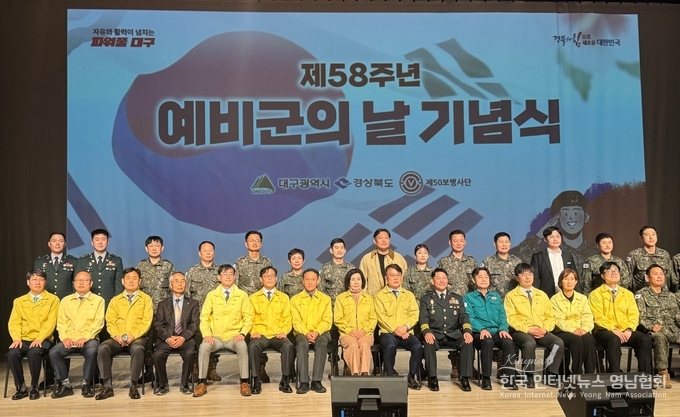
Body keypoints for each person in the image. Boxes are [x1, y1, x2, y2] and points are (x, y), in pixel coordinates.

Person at [194, 265, 253, 397]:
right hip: (216, 337)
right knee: (204, 347)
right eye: (225, 274)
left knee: (242, 346)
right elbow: (204, 317)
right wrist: (207, 335)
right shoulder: (212, 295)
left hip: (234, 337)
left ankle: (244, 382)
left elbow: (248, 317)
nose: (228, 276)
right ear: (219, 277)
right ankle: (201, 383)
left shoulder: (242, 295)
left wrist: (242, 333)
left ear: (234, 277)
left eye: (231, 274)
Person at [95, 267, 153, 400]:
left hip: (138, 337)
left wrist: (134, 335)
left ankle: (133, 386)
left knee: (138, 348)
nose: (131, 281)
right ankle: (107, 386)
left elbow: (146, 322)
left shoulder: (146, 299)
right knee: (103, 347)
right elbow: (110, 321)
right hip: (117, 338)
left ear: (139, 281)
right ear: (122, 281)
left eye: (134, 278)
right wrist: (116, 336)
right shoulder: (115, 300)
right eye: (128, 278)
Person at [504, 263, 564, 388]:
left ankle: (551, 375)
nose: (527, 277)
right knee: (529, 343)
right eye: (523, 274)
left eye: (530, 274)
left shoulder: (542, 295)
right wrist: (528, 329)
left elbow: (550, 316)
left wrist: (545, 329)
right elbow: (511, 318)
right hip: (520, 331)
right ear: (517, 278)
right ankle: (529, 377)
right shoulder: (511, 296)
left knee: (558, 342)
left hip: (540, 330)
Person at [49, 271, 105, 399]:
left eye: (85, 280)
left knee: (92, 350)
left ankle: (86, 383)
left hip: (89, 338)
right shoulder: (65, 301)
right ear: (74, 284)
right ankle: (65, 385)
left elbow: (98, 322)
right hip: (69, 338)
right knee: (54, 352)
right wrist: (65, 338)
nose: (81, 283)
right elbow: (61, 322)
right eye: (78, 280)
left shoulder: (98, 300)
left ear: (91, 283)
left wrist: (86, 337)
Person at [589, 261, 652, 375]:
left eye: (616, 271)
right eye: (609, 271)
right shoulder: (595, 294)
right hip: (603, 330)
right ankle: (615, 375)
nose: (613, 273)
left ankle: (645, 376)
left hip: (625, 329)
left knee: (645, 339)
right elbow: (598, 317)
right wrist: (613, 329)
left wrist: (629, 329)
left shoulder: (627, 294)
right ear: (602, 276)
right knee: (614, 339)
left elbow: (634, 314)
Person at [7, 270, 59, 400]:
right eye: (34, 279)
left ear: (45, 282)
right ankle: (21, 387)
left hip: (43, 339)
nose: (37, 282)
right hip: (23, 339)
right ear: (28, 282)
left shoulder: (53, 300)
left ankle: (34, 386)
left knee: (34, 352)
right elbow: (14, 322)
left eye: (41, 280)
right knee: (12, 354)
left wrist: (39, 338)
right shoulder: (19, 301)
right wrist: (16, 338)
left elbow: (50, 323)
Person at [510, 190, 598, 267]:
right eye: (566, 214)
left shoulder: (596, 252)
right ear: (558, 218)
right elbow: (513, 257)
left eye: (576, 213)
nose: (571, 218)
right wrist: (541, 233)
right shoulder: (546, 254)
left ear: (586, 217)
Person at [420, 267, 474, 392]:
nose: (441, 280)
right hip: (435, 334)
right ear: (432, 281)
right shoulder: (426, 299)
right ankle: (432, 377)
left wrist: (467, 331)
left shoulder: (457, 298)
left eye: (444, 278)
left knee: (467, 341)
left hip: (453, 334)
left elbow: (464, 317)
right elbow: (423, 318)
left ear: (447, 280)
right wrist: (427, 332)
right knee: (428, 342)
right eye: (438, 278)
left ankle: (464, 378)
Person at [464, 267, 517, 390]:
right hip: (479, 332)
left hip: (496, 331)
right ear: (473, 280)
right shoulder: (468, 297)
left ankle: (509, 378)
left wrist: (503, 329)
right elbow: (469, 317)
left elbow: (502, 315)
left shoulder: (496, 296)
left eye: (486, 277)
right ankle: (486, 378)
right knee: (487, 342)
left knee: (509, 342)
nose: (483, 280)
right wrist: (481, 329)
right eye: (480, 277)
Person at [374, 264, 422, 390]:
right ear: (386, 278)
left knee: (417, 347)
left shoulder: (409, 295)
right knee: (390, 346)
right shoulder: (379, 296)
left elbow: (414, 314)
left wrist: (405, 327)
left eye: (398, 275)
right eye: (392, 275)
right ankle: (389, 377)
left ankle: (411, 377)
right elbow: (381, 317)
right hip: (387, 333)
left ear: (402, 277)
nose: (395, 278)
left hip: (406, 332)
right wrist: (397, 330)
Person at [436, 230, 477, 378]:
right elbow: (440, 283)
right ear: (449, 243)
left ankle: (469, 365)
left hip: (468, 304)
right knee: (452, 333)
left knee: (468, 334)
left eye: (461, 240)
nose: (458, 243)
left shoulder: (472, 261)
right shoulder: (444, 261)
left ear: (465, 242)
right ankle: (455, 366)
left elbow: (475, 283)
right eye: (455, 240)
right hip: (450, 305)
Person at [248, 266, 295, 395]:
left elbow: (287, 318)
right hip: (260, 334)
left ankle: (285, 380)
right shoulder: (253, 298)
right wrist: (253, 331)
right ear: (260, 279)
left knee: (288, 345)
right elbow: (249, 318)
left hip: (277, 334)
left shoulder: (284, 297)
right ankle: (256, 380)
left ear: (276, 278)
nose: (269, 278)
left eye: (272, 275)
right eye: (266, 276)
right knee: (253, 346)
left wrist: (284, 331)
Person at [234, 230, 273, 382]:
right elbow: (235, 286)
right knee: (246, 339)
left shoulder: (266, 262)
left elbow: (270, 283)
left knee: (261, 336)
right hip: (245, 307)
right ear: (246, 244)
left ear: (261, 244)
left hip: (263, 306)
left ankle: (260, 369)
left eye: (257, 240)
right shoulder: (240, 262)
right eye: (251, 240)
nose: (254, 243)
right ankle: (246, 372)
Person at [153, 272, 199, 396]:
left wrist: (183, 337)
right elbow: (158, 325)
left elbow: (194, 324)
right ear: (170, 285)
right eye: (177, 281)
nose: (180, 284)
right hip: (167, 338)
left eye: (183, 281)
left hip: (185, 338)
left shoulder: (193, 304)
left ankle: (185, 384)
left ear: (186, 284)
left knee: (190, 353)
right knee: (158, 355)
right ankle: (163, 385)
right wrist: (168, 338)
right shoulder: (163, 304)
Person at [137, 235, 176, 383]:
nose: (154, 248)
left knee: (160, 343)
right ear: (146, 248)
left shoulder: (168, 266)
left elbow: (173, 288)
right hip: (145, 312)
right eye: (151, 246)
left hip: (163, 313)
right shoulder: (141, 266)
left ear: (162, 248)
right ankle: (148, 372)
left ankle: (160, 373)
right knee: (146, 343)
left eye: (157, 246)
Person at [635, 264, 680, 388]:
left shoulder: (671, 296)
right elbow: (639, 317)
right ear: (647, 277)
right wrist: (650, 326)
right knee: (659, 338)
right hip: (654, 330)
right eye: (655, 274)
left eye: (661, 274)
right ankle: (663, 374)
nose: (659, 276)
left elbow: (677, 317)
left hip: (672, 329)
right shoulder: (641, 295)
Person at [290, 268, 332, 394]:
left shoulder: (326, 299)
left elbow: (327, 320)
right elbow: (296, 321)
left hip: (321, 333)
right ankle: (303, 382)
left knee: (322, 343)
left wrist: (317, 332)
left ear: (318, 281)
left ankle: (316, 381)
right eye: (307, 279)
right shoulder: (295, 300)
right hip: (302, 333)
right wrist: (306, 333)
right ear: (303, 281)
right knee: (301, 344)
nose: (310, 282)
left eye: (313, 279)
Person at [319, 237, 355, 376]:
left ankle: (348, 365)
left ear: (345, 250)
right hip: (331, 311)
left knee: (348, 338)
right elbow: (321, 291)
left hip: (348, 312)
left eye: (341, 248)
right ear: (331, 250)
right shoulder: (325, 269)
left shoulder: (351, 268)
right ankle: (333, 365)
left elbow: (356, 289)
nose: (339, 250)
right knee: (332, 341)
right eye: (336, 248)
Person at [550, 269, 597, 375]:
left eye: (572, 279)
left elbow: (587, 316)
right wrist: (573, 330)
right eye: (566, 279)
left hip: (581, 330)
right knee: (577, 341)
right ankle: (577, 373)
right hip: (563, 331)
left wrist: (584, 329)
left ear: (576, 282)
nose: (569, 282)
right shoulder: (554, 299)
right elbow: (558, 319)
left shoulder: (582, 298)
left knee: (589, 339)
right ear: (560, 282)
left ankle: (590, 374)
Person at [186, 240, 221, 382]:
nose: (208, 253)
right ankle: (196, 370)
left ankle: (212, 369)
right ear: (199, 253)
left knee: (214, 341)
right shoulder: (192, 271)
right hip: (197, 314)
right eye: (205, 250)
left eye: (210, 250)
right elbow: (187, 293)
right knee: (196, 342)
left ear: (214, 253)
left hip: (216, 315)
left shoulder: (220, 272)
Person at [334, 269, 376, 377]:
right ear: (348, 282)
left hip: (365, 333)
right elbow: (338, 319)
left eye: (358, 279)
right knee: (353, 345)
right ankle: (355, 373)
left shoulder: (369, 298)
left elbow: (373, 319)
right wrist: (350, 331)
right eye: (353, 279)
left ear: (362, 282)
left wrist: (364, 331)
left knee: (364, 345)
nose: (356, 282)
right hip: (347, 334)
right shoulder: (340, 298)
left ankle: (365, 373)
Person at [75, 228, 123, 307]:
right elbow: (77, 283)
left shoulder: (116, 261)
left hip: (109, 304)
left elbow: (119, 286)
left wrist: (116, 304)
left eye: (103, 239)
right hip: (87, 304)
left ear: (108, 242)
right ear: (92, 243)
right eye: (97, 239)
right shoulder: (83, 261)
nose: (100, 242)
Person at [530, 226, 578, 298]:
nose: (555, 239)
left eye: (558, 236)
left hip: (567, 294)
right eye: (551, 237)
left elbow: (575, 276)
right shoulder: (538, 257)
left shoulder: (568, 255)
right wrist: (536, 296)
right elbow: (535, 279)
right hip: (546, 296)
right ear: (545, 239)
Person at [627, 226, 677, 293]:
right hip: (642, 294)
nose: (651, 237)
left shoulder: (664, 254)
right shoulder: (634, 255)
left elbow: (670, 277)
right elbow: (628, 278)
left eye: (653, 234)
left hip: (663, 294)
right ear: (641, 238)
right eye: (647, 235)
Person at [359, 228, 408, 297]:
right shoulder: (367, 259)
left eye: (386, 238)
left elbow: (405, 280)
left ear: (389, 240)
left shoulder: (399, 258)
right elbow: (362, 282)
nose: (384, 240)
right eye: (380, 238)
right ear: (374, 241)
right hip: (373, 299)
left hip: (395, 299)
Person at [34, 232, 79, 301]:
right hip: (46, 300)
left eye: (61, 241)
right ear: (49, 244)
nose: (57, 243)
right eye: (54, 241)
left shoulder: (74, 261)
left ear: (65, 244)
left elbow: (77, 282)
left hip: (66, 301)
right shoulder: (39, 262)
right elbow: (36, 283)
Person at [480, 232, 522, 299]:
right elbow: (481, 283)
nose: (504, 244)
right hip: (494, 300)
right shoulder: (487, 261)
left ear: (510, 243)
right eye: (501, 242)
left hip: (514, 300)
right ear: (495, 244)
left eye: (506, 242)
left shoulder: (517, 261)